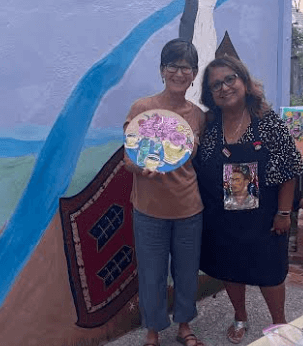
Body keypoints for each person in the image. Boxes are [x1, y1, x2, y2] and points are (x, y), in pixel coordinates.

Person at [195, 55, 303, 344]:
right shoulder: (209, 127)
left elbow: (290, 169)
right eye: (215, 84)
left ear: (244, 81)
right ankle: (240, 315)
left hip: (264, 216)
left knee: (270, 271)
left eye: (230, 79)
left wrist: (283, 214)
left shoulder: (268, 122)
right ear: (209, 93)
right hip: (222, 218)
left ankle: (279, 323)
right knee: (229, 267)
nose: (224, 87)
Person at [123, 38, 206, 346]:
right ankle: (153, 330)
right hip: (148, 209)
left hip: (189, 208)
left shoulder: (198, 115)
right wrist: (137, 167)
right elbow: (128, 157)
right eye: (172, 65)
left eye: (187, 67)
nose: (179, 72)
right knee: (152, 274)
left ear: (194, 73)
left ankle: (184, 325)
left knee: (186, 273)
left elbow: (196, 162)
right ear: (161, 70)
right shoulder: (141, 108)